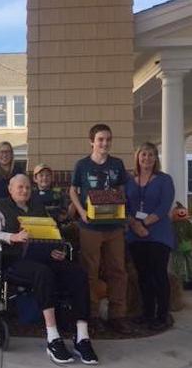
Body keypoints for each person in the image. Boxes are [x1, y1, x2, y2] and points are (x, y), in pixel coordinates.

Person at [0, 174, 98, 365]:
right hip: (14, 260)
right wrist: (12, 237)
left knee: (77, 274)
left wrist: (57, 249)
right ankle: (53, 337)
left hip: (43, 256)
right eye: (20, 187)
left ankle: (82, 336)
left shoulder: (38, 207)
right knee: (43, 273)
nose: (25, 190)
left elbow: (52, 233)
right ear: (10, 189)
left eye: (28, 187)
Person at [69, 124, 130, 334]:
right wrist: (81, 211)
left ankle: (117, 316)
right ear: (92, 141)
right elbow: (73, 190)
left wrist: (121, 207)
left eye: (108, 139)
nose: (105, 143)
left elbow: (122, 188)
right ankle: (92, 315)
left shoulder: (117, 164)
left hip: (114, 226)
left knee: (117, 270)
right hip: (90, 227)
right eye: (100, 139)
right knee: (90, 271)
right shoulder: (82, 165)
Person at [125, 143, 175, 331]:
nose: (147, 158)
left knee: (158, 274)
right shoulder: (130, 181)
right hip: (135, 235)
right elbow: (125, 206)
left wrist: (144, 224)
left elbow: (164, 206)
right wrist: (135, 225)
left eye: (151, 155)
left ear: (156, 158)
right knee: (143, 276)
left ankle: (162, 315)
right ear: (137, 157)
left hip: (158, 233)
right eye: (143, 154)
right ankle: (147, 314)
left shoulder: (164, 180)